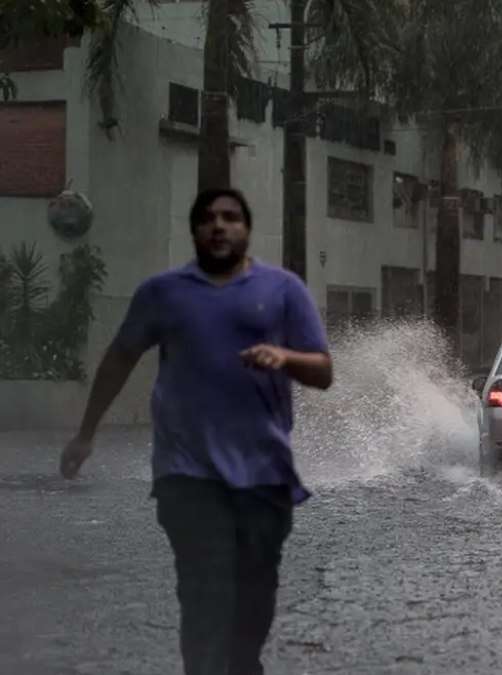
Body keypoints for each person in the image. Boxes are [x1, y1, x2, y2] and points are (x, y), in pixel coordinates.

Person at [58, 188, 333, 675]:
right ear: (194, 231)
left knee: (253, 607)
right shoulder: (162, 293)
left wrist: (285, 357)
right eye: (208, 219)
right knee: (205, 598)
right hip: (186, 476)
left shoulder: (284, 289)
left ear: (246, 229)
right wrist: (86, 433)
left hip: (264, 476)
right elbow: (120, 358)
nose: (219, 226)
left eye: (230, 218)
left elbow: (323, 372)